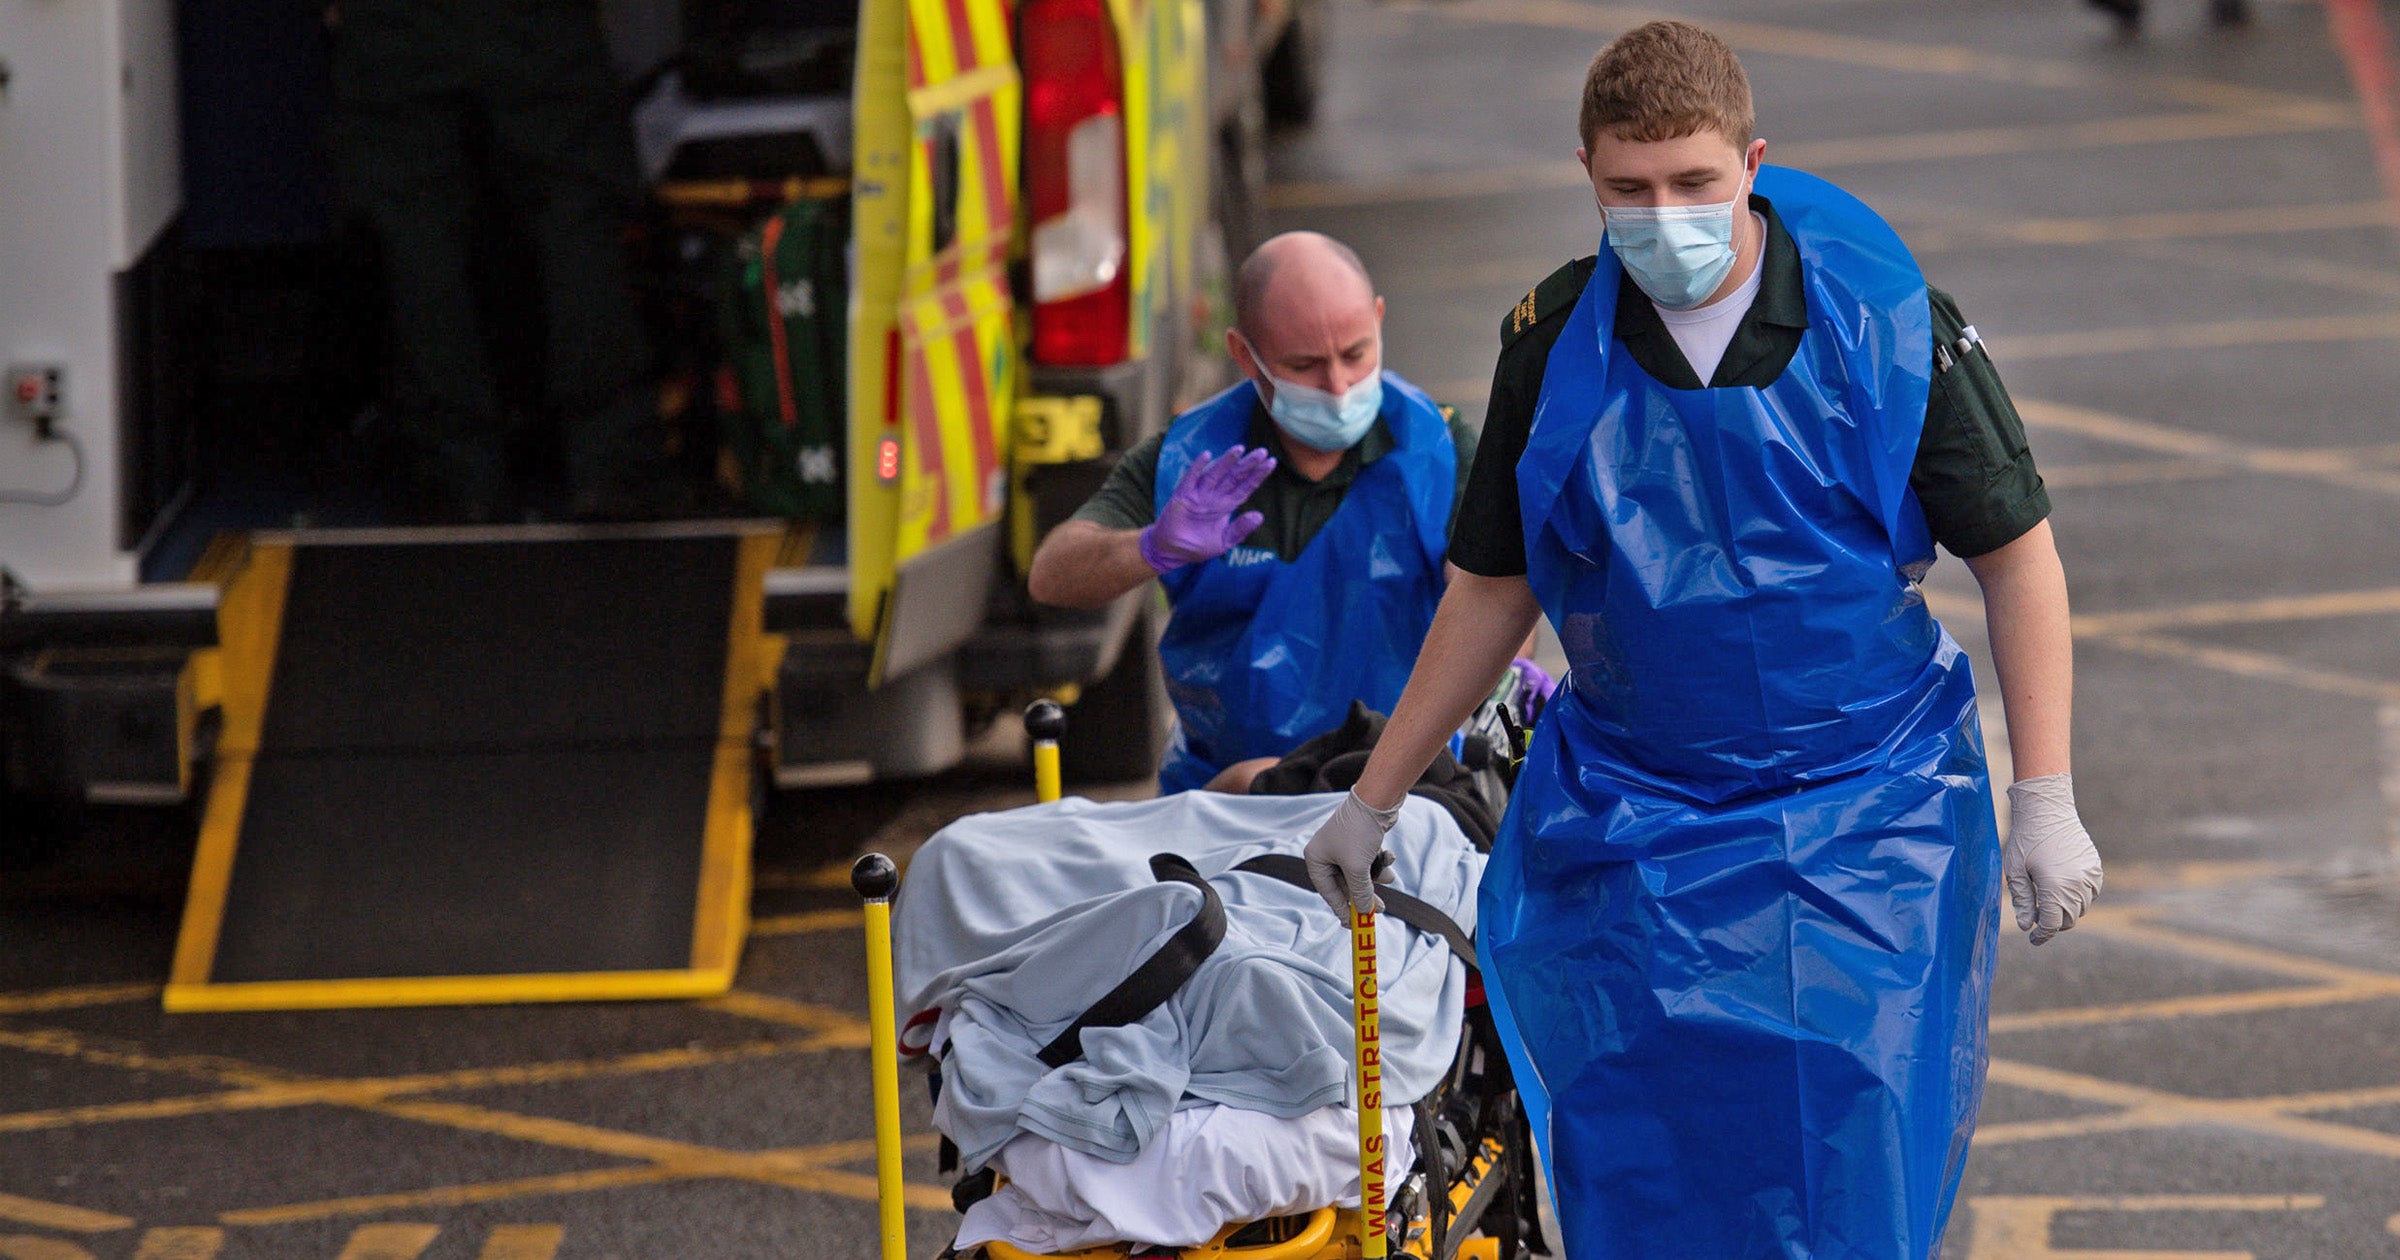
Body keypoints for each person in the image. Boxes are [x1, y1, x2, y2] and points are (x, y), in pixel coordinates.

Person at [1299, 22, 2104, 1259]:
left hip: (1868, 823)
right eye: (1628, 189)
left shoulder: (1887, 329)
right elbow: (1489, 588)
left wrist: (2044, 791)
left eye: (1694, 183)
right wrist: (1377, 793)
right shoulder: (1554, 348)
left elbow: (2018, 557)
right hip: (1637, 825)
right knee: (1650, 1167)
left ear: (1755, 163)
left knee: (1852, 1167)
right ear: (1586, 172)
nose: (1661, 213)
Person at [1028, 231, 1493, 794]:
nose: (1340, 389)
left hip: (1405, 789)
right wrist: (1150, 547)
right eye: (1305, 365)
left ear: (1378, 318)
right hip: (1230, 799)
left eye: (1355, 353)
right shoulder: (1191, 459)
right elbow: (1051, 576)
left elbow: (1499, 619)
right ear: (1245, 355)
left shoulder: (1437, 446)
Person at [326, 0, 665, 522]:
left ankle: (457, 474)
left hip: (391, 21)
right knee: (574, 212)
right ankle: (612, 464)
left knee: (418, 235)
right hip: (533, 21)